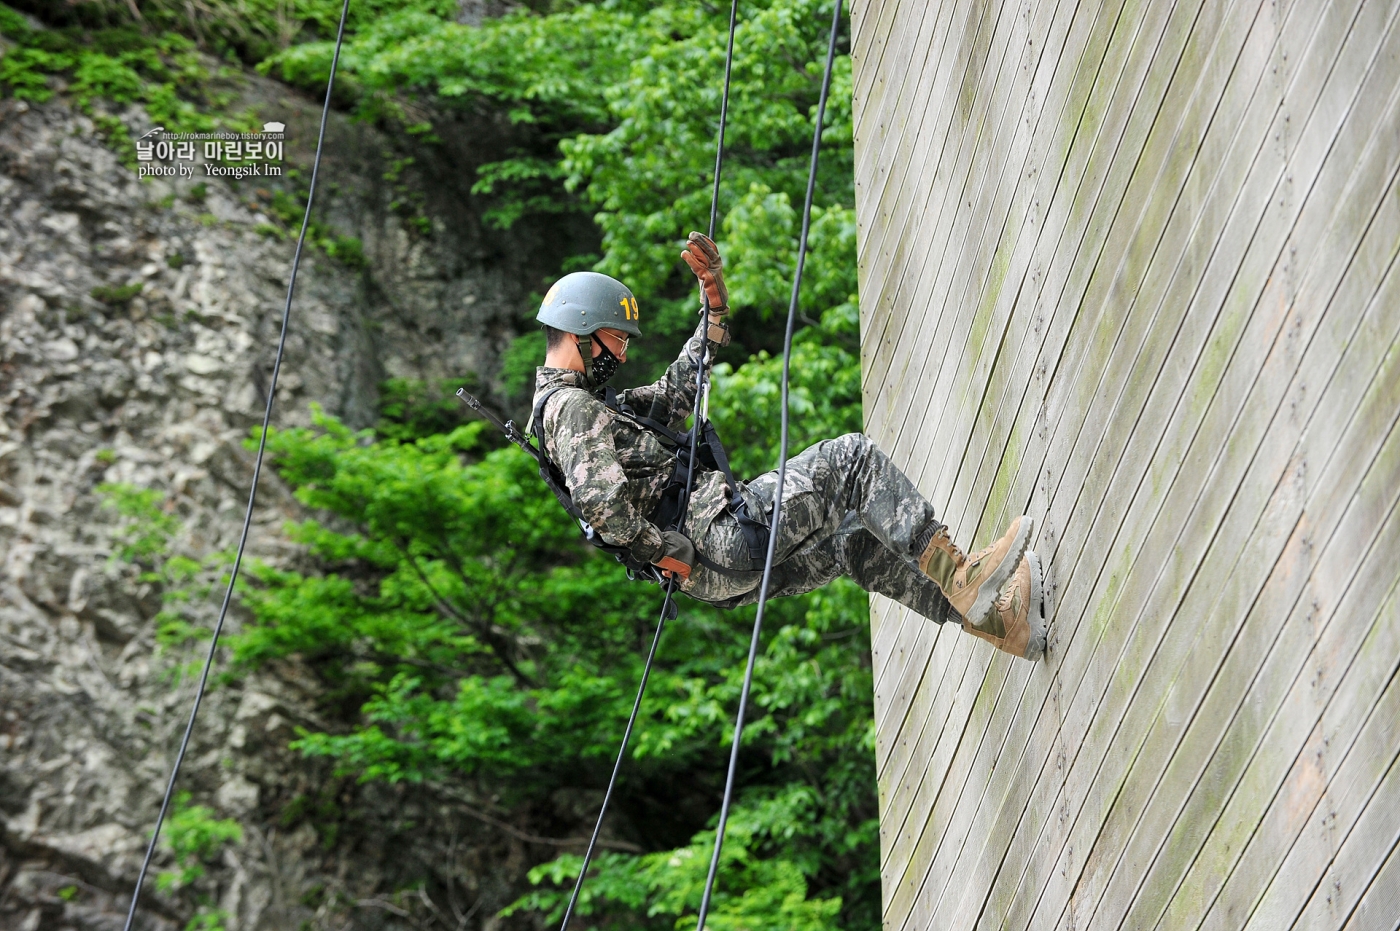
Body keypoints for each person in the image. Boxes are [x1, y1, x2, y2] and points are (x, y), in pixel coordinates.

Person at [530, 233, 1048, 660]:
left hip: (711, 571)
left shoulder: (589, 409)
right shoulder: (571, 410)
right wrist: (659, 550)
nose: (620, 354)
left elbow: (674, 394)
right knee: (852, 461)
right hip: (716, 537)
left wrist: (713, 310)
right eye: (615, 338)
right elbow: (602, 507)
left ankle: (997, 624)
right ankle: (964, 578)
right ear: (580, 332)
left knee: (851, 542)